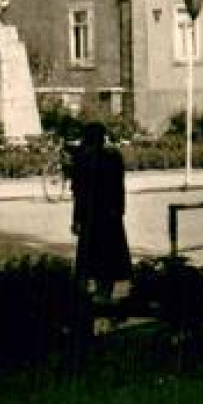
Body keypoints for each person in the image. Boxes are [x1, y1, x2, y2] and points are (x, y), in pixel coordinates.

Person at [69, 122, 132, 304]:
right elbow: (120, 188)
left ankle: (89, 295)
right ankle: (104, 292)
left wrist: (76, 219)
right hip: (109, 215)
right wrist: (120, 211)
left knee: (91, 256)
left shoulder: (83, 160)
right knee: (108, 255)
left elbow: (78, 193)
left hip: (91, 215)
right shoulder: (113, 157)